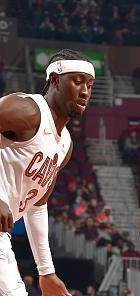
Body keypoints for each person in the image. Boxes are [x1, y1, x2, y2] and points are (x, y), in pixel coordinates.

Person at [0, 49, 95, 295]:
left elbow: (37, 205)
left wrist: (46, 272)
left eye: (89, 84)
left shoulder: (64, 145)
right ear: (54, 81)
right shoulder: (25, 110)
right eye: (77, 82)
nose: (85, 91)